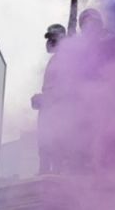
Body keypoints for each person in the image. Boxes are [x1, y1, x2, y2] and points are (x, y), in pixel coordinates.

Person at [33, 24, 67, 174]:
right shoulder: (55, 59)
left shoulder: (66, 58)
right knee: (45, 142)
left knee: (55, 142)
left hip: (57, 109)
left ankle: (53, 171)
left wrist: (47, 98)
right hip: (48, 107)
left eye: (53, 38)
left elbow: (67, 87)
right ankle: (45, 170)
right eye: (49, 38)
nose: (49, 42)